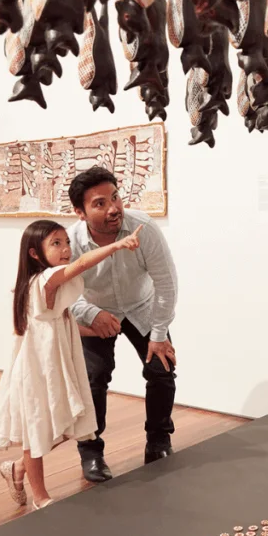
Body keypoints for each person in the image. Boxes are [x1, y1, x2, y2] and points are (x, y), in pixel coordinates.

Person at [0, 219, 144, 509]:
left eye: (66, 242)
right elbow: (80, 264)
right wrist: (117, 245)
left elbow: (59, 323)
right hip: (37, 369)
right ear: (35, 253)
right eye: (56, 243)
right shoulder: (44, 280)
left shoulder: (50, 286)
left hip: (56, 366)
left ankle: (17, 468)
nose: (66, 249)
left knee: (65, 423)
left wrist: (94, 332)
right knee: (37, 429)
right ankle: (40, 497)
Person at [66, 166, 179, 483]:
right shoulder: (70, 242)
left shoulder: (144, 228)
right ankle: (91, 452)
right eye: (100, 203)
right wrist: (91, 314)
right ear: (80, 212)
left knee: (161, 369)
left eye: (115, 197)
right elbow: (61, 291)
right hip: (95, 311)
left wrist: (159, 334)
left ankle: (158, 442)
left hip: (142, 306)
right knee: (94, 378)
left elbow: (166, 284)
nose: (114, 208)